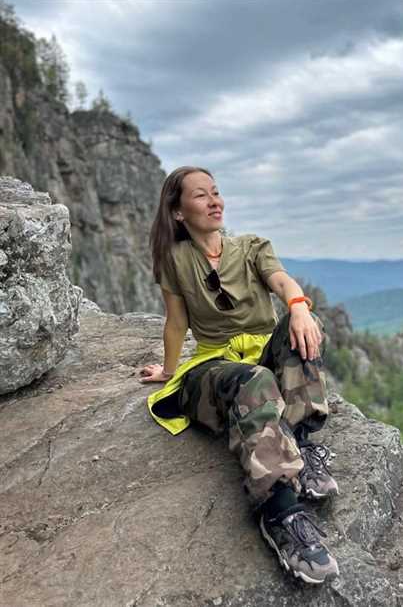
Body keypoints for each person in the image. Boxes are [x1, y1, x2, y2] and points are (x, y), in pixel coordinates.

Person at [137, 166, 340, 584]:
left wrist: (299, 307)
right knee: (254, 381)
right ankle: (280, 511)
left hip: (261, 355)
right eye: (200, 196)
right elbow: (176, 322)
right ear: (178, 212)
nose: (215, 201)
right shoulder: (174, 259)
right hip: (216, 368)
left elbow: (280, 280)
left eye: (216, 192)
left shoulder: (251, 247)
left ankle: (299, 444)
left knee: (301, 327)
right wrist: (169, 371)